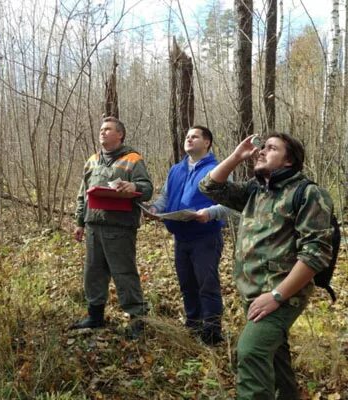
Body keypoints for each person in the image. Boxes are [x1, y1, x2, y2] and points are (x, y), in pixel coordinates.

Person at [199, 133, 334, 399]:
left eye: (271, 148)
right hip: (253, 293)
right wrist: (237, 156)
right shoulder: (255, 189)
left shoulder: (308, 194)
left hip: (283, 295)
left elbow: (315, 255)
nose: (261, 151)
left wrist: (277, 296)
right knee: (275, 359)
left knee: (250, 351)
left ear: (289, 161)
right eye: (262, 148)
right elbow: (208, 187)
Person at [71, 116, 153, 337]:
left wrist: (132, 185)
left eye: (108, 129)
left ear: (120, 135)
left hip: (120, 226)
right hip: (93, 225)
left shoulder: (133, 159)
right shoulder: (92, 160)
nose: (103, 132)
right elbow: (82, 193)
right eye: (101, 129)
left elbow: (147, 188)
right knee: (93, 272)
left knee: (124, 273)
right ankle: (95, 316)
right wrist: (79, 222)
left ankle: (137, 320)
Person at [146, 126, 228, 345]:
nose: (189, 139)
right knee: (187, 284)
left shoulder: (217, 169)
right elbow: (165, 196)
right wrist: (155, 209)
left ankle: (211, 333)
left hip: (205, 237)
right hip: (180, 237)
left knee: (207, 285)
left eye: (195, 136)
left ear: (207, 142)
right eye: (187, 137)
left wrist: (209, 213)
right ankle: (193, 326)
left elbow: (231, 204)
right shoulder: (176, 169)